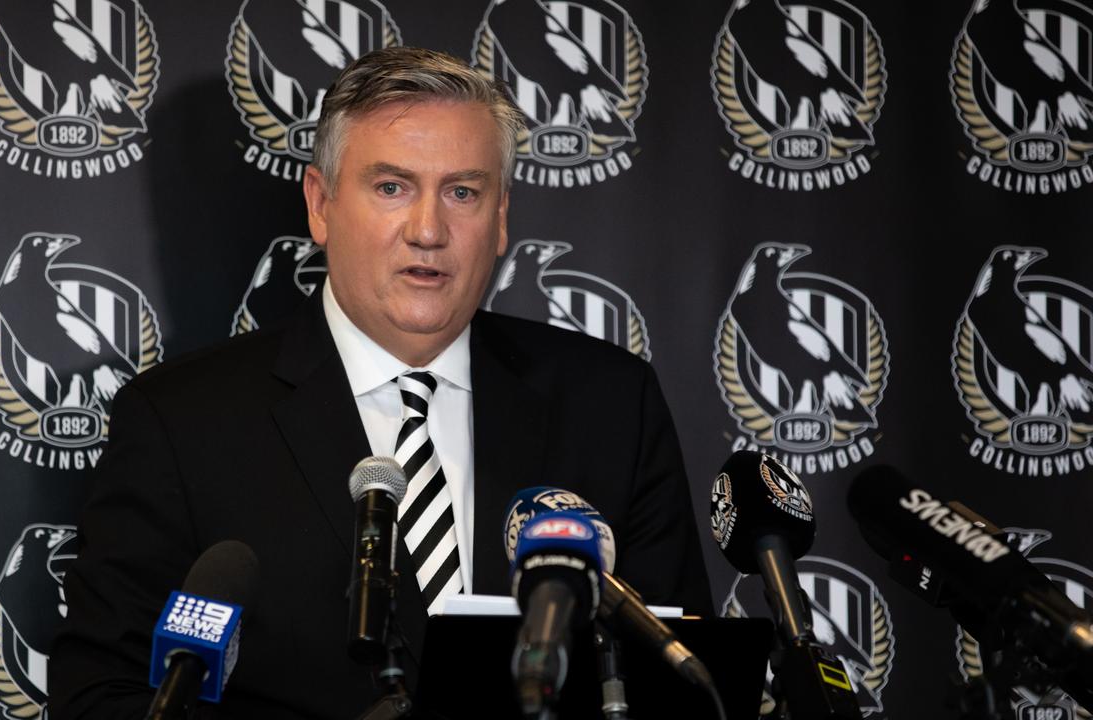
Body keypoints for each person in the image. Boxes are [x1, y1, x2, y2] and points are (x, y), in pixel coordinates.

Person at [50, 47, 712, 720]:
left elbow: (688, 681)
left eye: (463, 192)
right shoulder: (181, 422)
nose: (429, 231)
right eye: (392, 187)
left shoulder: (610, 404)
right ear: (321, 204)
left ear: (502, 216)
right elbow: (104, 696)